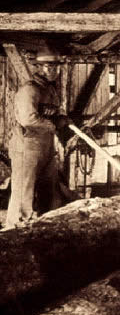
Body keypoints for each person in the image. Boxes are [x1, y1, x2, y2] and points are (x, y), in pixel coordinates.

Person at [5, 47, 67, 228]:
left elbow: (50, 114)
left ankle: (46, 229)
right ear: (38, 68)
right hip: (27, 145)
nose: (53, 71)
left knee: (50, 191)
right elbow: (28, 119)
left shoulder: (50, 90)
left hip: (45, 144)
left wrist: (60, 119)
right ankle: (15, 231)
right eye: (48, 67)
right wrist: (54, 125)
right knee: (24, 193)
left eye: (56, 67)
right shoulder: (30, 90)